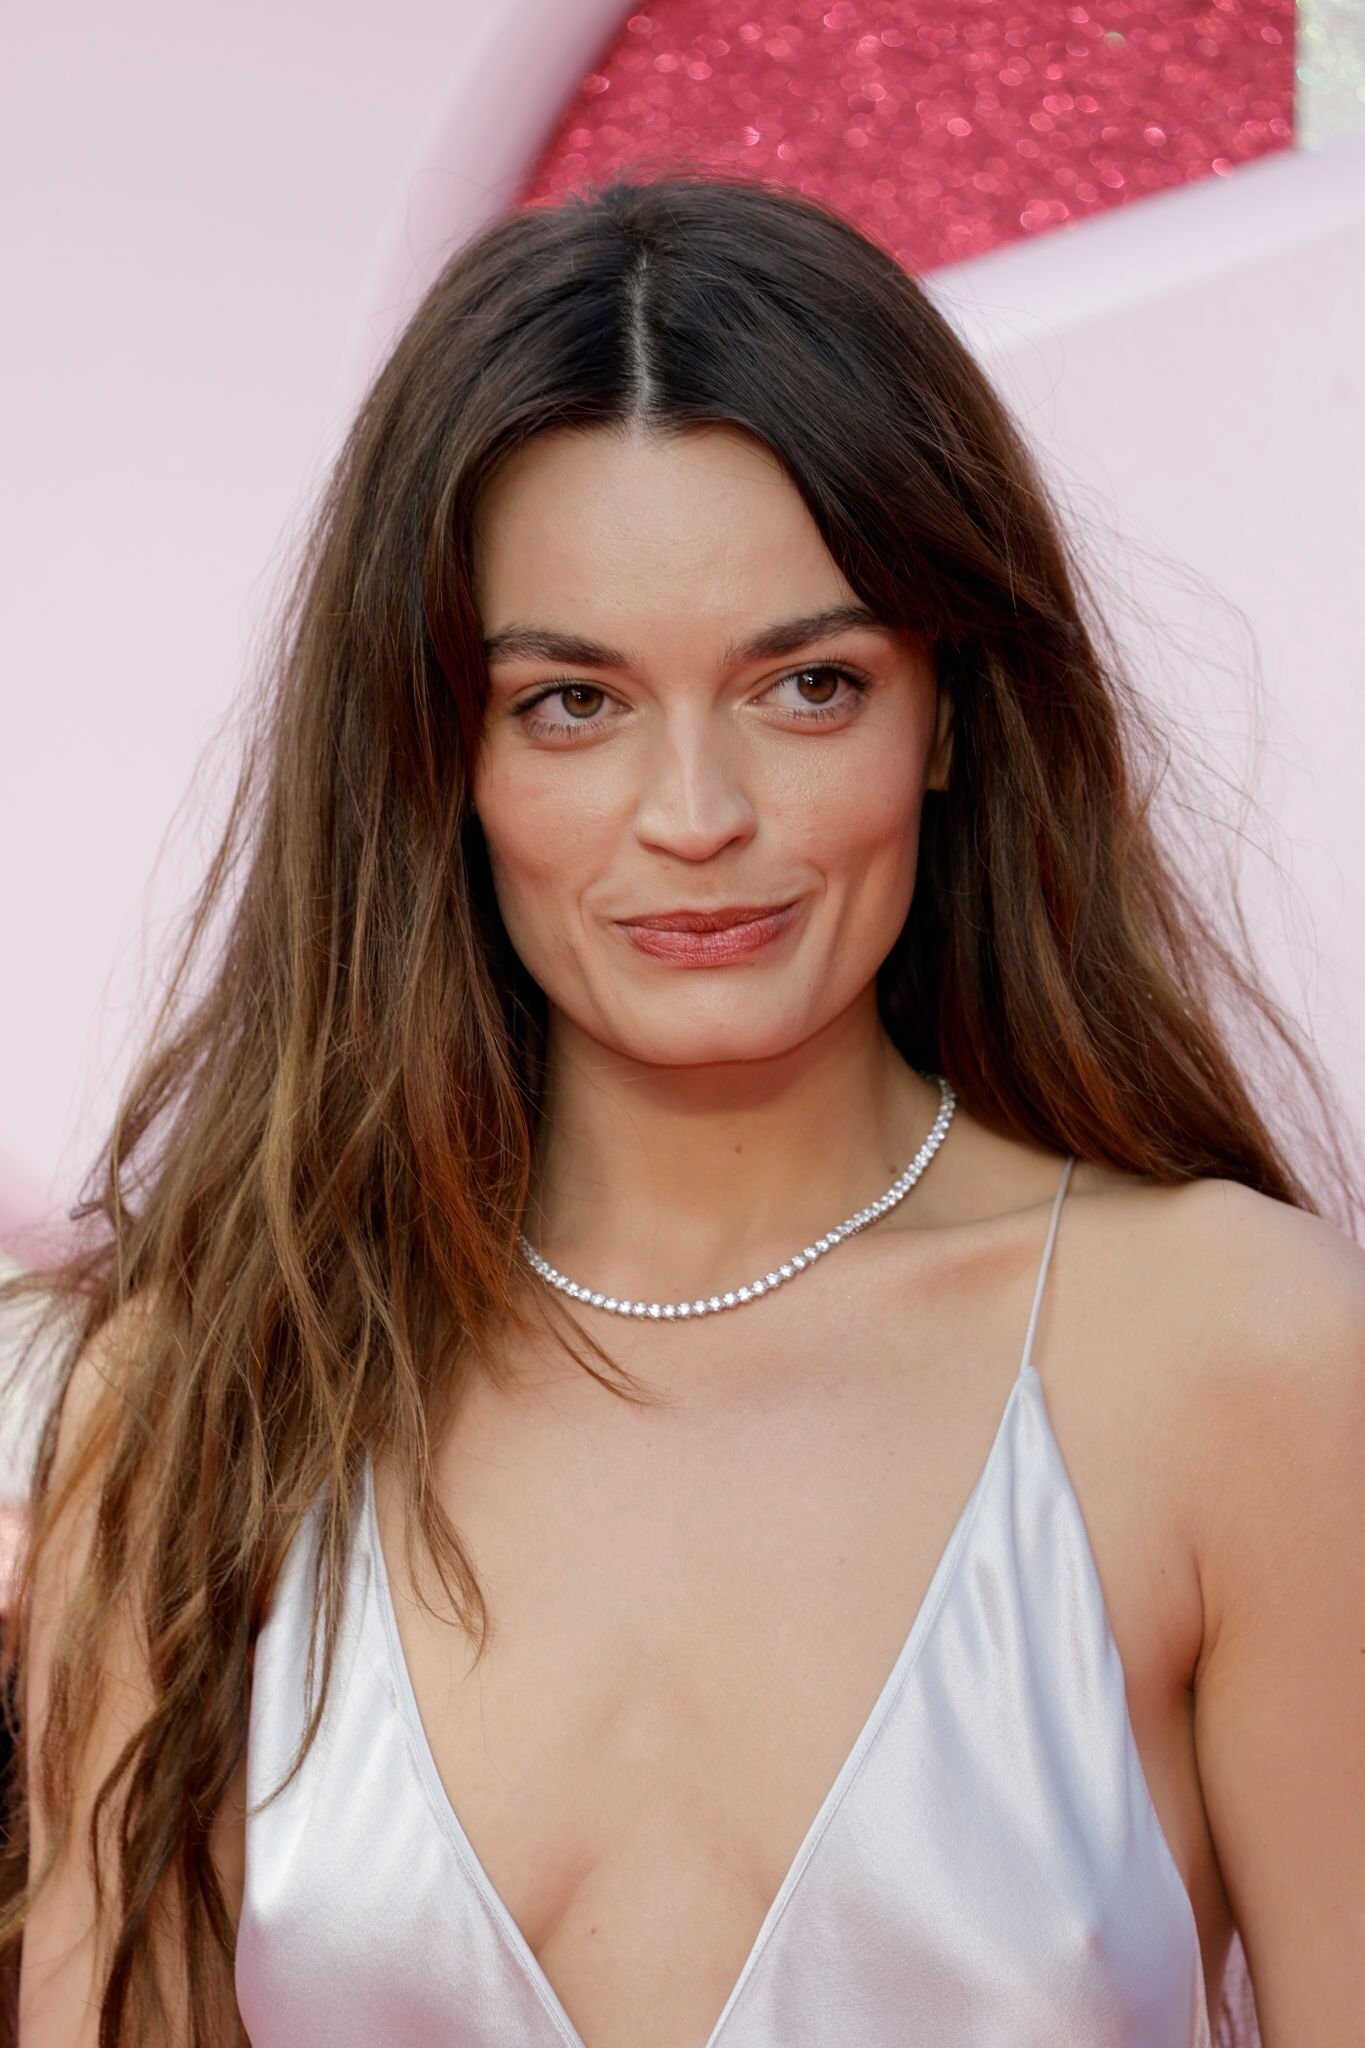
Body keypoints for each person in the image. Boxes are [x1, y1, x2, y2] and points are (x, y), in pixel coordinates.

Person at [2, 170, 1362, 2048]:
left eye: (807, 685)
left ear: (950, 714)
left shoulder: (1244, 1361)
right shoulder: (209, 1400)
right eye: (572, 704)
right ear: (436, 753)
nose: (697, 816)